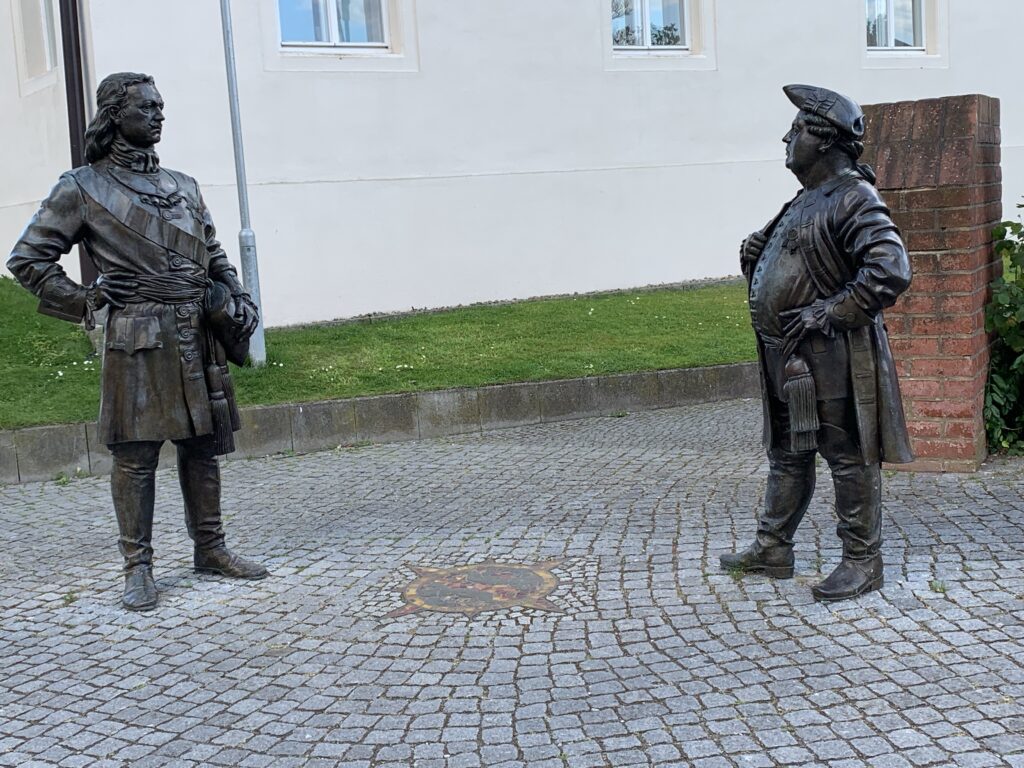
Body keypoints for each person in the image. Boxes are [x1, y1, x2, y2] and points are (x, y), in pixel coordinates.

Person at [7, 72, 268, 611]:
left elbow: (213, 254)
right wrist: (85, 299)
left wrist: (235, 297)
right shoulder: (82, 187)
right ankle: (138, 567)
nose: (158, 115)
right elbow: (28, 259)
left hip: (197, 332)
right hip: (138, 336)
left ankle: (211, 549)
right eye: (147, 107)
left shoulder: (184, 185)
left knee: (202, 447)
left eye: (162, 107)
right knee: (135, 456)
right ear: (114, 115)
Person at [720, 84, 913, 602]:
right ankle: (772, 547)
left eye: (799, 128)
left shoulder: (853, 197)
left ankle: (861, 561)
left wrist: (831, 311)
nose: (788, 136)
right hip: (787, 358)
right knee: (786, 453)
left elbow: (890, 269)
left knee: (848, 456)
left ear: (825, 140)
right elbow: (797, 264)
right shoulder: (807, 198)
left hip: (834, 358)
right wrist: (754, 255)